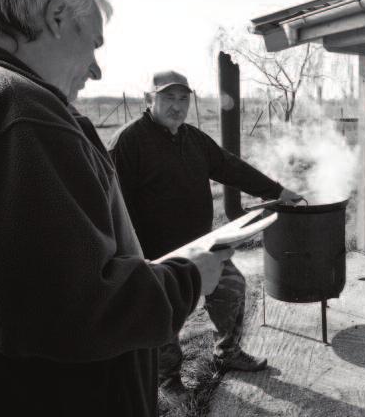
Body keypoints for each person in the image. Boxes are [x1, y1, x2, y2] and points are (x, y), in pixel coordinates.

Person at [0, 0, 229, 416]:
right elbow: (68, 310)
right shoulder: (16, 109)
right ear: (57, 17)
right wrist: (189, 279)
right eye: (94, 42)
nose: (97, 69)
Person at [108, 70, 302, 402]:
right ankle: (168, 379)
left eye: (183, 98)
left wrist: (278, 190)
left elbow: (232, 168)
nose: (177, 106)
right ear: (147, 99)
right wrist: (134, 259)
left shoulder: (194, 139)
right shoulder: (128, 142)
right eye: (168, 97)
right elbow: (115, 205)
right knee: (165, 317)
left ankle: (227, 351)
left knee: (233, 287)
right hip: (156, 255)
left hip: (201, 245)